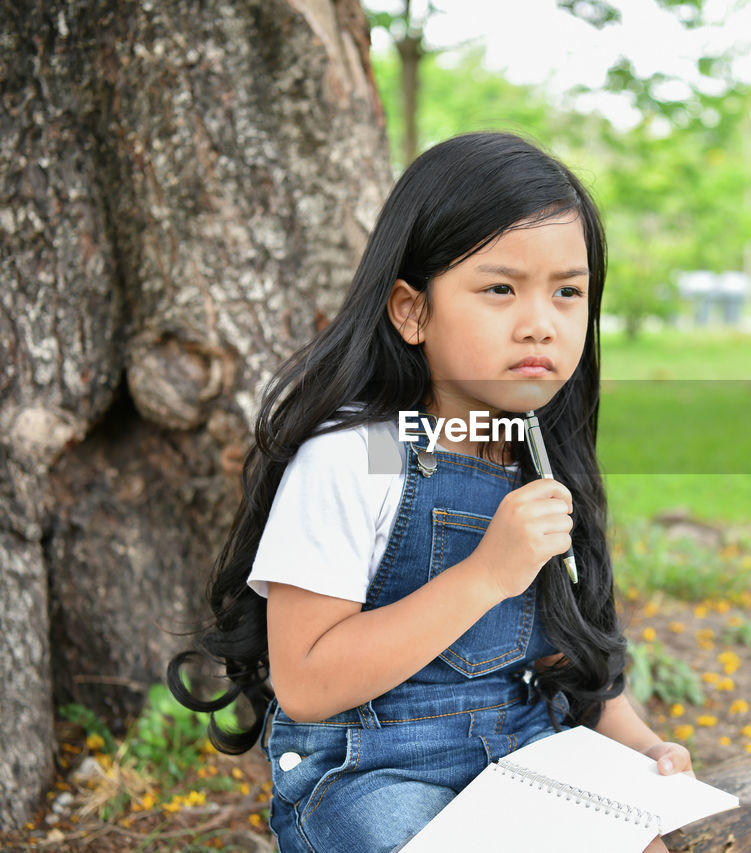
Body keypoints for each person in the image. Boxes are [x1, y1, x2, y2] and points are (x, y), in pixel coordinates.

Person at [168, 132, 691, 853]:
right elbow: (307, 681)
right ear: (412, 311)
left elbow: (568, 658)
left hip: (522, 755)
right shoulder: (364, 454)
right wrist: (485, 574)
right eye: (501, 288)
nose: (541, 320)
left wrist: (644, 748)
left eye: (568, 291)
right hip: (371, 775)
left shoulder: (539, 457)